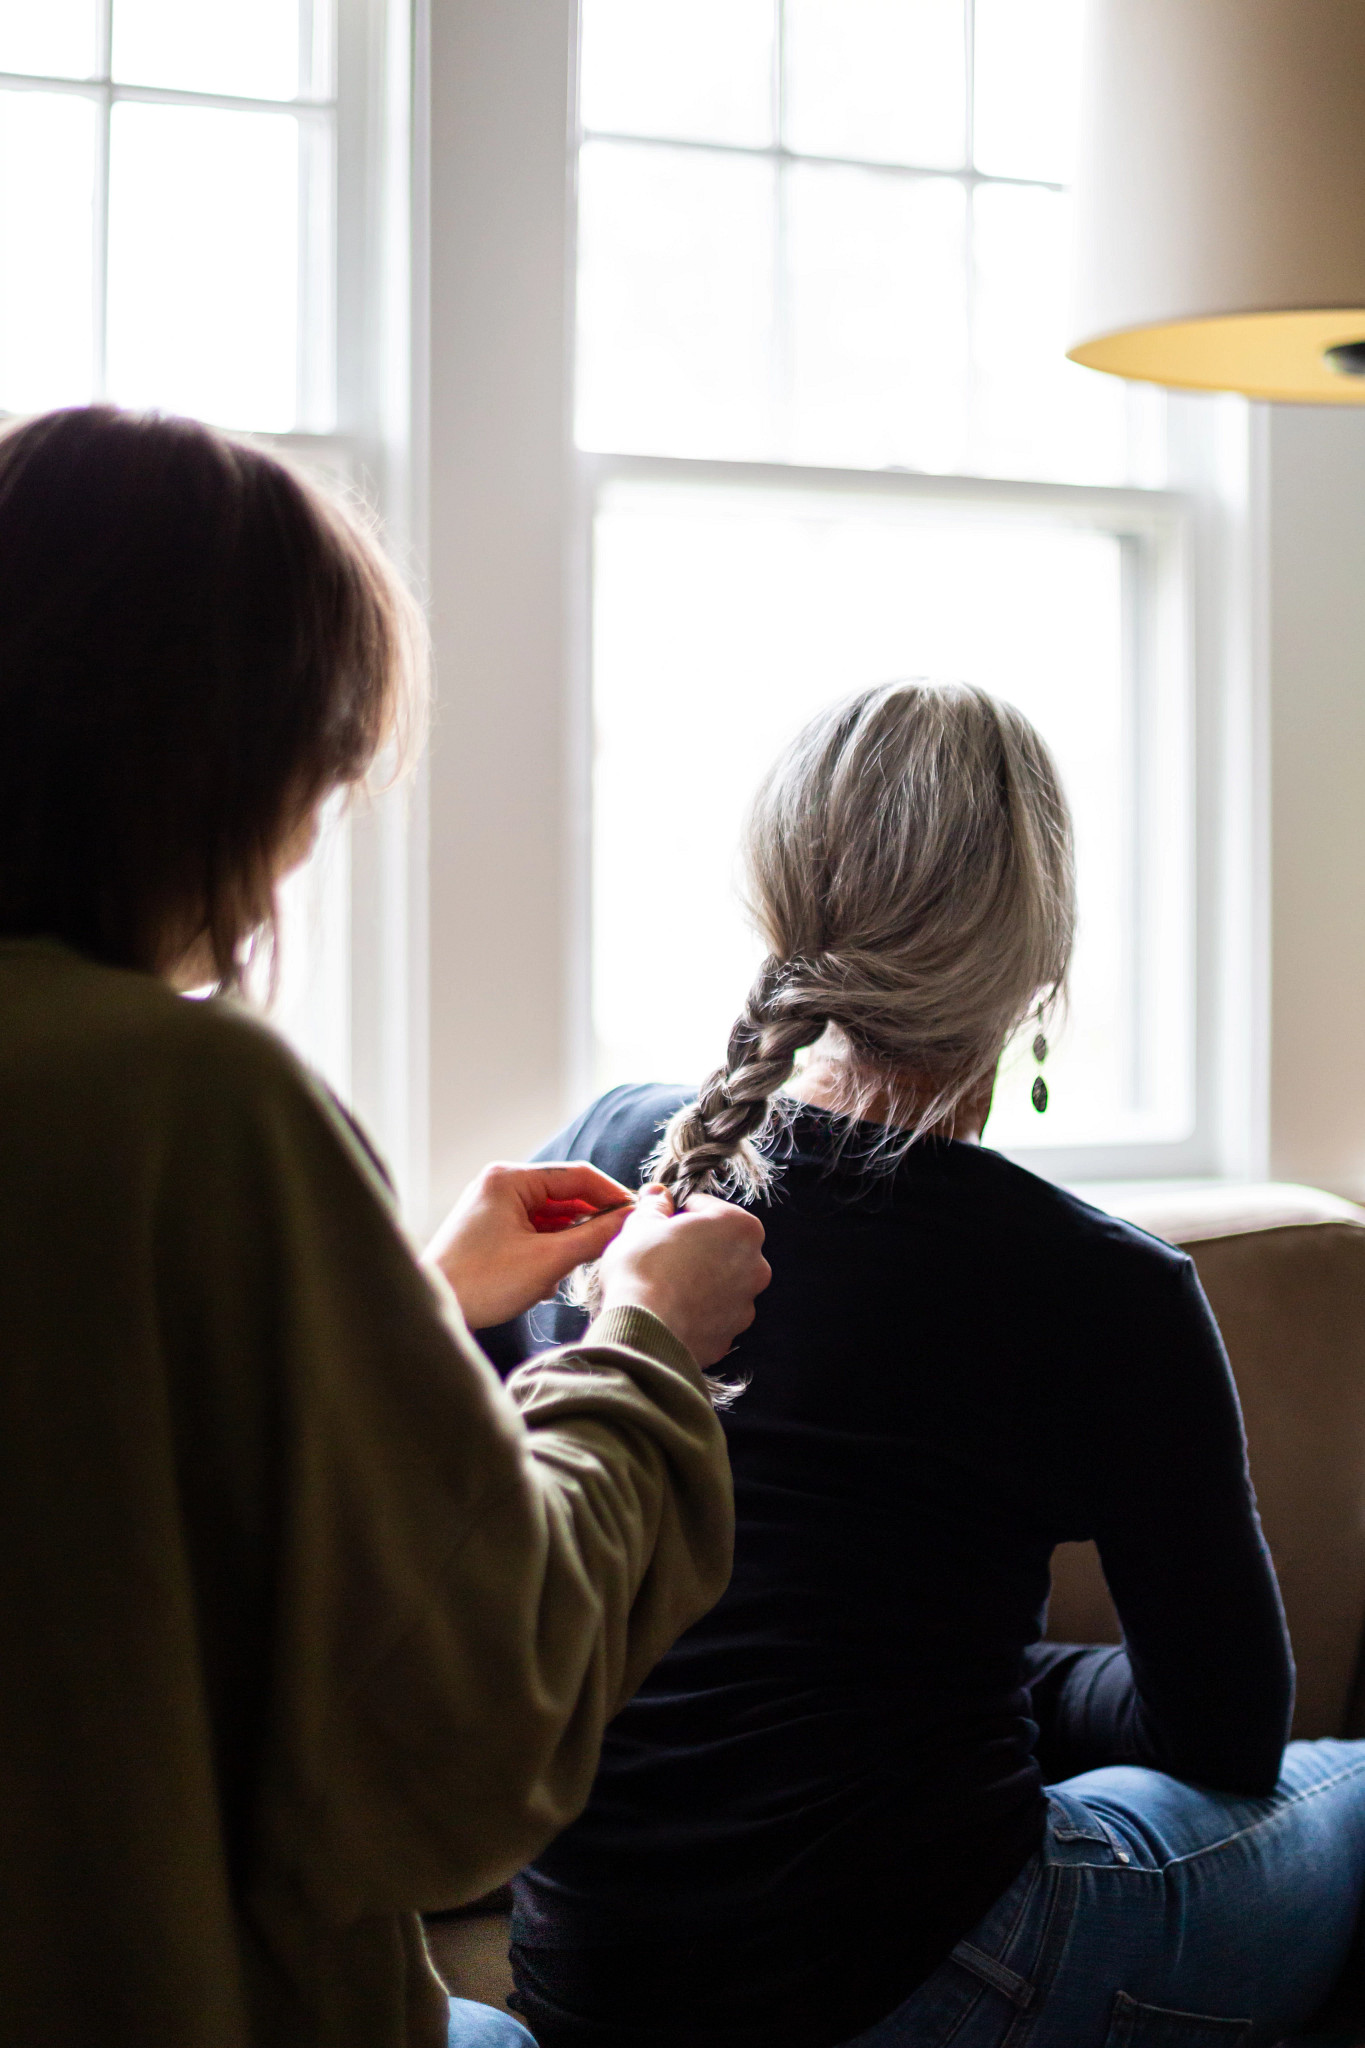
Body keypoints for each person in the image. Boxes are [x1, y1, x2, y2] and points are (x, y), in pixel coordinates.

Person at [0, 405, 769, 2048]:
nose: (303, 839)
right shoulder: (190, 1108)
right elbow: (460, 1725)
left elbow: (112, 1498)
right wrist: (641, 1348)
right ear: (214, 753)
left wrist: (411, 1301)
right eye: (323, 770)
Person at [494, 680, 1365, 2048]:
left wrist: (968, 1672)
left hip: (583, 1983)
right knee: (1349, 1789)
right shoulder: (1099, 1288)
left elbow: (502, 1529)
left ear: (778, 908)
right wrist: (1010, 1678)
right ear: (1040, 965)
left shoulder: (610, 1151)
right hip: (913, 1973)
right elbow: (1225, 1738)